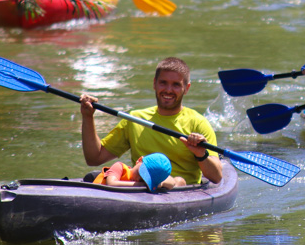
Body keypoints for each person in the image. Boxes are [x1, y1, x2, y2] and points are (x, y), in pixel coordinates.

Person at [79, 57, 223, 185]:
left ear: (187, 88)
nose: (168, 90)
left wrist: (200, 154)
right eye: (163, 83)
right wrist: (88, 117)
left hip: (180, 191)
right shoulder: (134, 119)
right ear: (154, 84)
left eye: (176, 85)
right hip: (140, 188)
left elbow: (216, 177)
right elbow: (94, 158)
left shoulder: (198, 124)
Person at [92, 152, 185, 190]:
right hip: (98, 193)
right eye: (141, 173)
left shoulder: (152, 182)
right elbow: (111, 183)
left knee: (179, 181)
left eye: (144, 179)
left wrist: (157, 183)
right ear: (139, 160)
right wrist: (142, 184)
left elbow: (172, 183)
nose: (138, 179)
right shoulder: (119, 167)